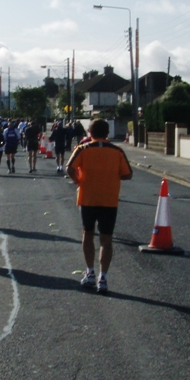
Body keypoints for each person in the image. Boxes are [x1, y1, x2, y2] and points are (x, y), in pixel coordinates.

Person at [65, 118, 133, 295]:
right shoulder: (117, 151)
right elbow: (127, 175)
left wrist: (79, 181)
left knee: (88, 234)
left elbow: (69, 168)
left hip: (87, 198)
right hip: (109, 199)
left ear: (90, 133)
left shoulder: (83, 149)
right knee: (106, 239)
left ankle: (90, 272)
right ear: (107, 133)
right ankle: (103, 277)